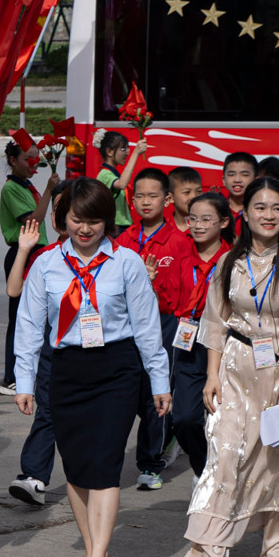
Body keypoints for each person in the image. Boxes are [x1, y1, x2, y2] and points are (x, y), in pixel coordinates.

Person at [13, 179, 170, 557]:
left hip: (117, 371)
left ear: (108, 221)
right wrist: (24, 383)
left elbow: (147, 328)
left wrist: (160, 382)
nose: (85, 229)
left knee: (104, 467)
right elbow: (28, 327)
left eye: (95, 221)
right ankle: (92, 548)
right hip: (66, 372)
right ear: (62, 219)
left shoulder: (127, 263)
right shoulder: (46, 264)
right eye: (77, 220)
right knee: (78, 471)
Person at [179, 176, 279, 557]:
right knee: (222, 457)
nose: (268, 215)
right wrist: (211, 376)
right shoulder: (229, 262)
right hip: (233, 370)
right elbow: (215, 321)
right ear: (244, 212)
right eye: (260, 207)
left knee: (277, 461)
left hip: (277, 374)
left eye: (277, 208)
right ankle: (209, 552)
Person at [116, 169, 185, 489]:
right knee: (122, 395)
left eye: (153, 195)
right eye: (139, 196)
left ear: (167, 199)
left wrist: (151, 286)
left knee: (156, 396)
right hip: (125, 328)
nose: (145, 202)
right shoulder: (123, 241)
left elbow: (183, 296)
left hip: (164, 324)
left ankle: (151, 463)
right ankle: (110, 460)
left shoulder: (180, 242)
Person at [165, 191, 234, 478]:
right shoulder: (180, 258)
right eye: (193, 218)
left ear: (224, 222)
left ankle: (225, 476)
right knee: (184, 419)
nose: (198, 225)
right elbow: (169, 303)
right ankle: (203, 470)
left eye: (207, 219)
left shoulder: (234, 261)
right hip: (189, 342)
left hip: (226, 344)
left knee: (225, 418)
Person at [6, 213, 58, 507]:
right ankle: (34, 476)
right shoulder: (46, 257)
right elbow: (14, 290)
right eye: (63, 213)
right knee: (47, 410)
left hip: (99, 351)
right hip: (55, 345)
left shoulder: (116, 255)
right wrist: (24, 250)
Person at [0, 134, 58, 395]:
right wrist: (48, 190)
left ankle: (29, 370)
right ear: (13, 160)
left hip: (36, 253)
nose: (33, 162)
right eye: (27, 158)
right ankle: (10, 377)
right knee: (19, 317)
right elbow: (33, 220)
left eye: (35, 157)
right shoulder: (11, 188)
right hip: (22, 252)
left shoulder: (25, 186)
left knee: (38, 314)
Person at [93, 130, 141, 228]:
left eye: (127, 149)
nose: (127, 153)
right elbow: (122, 184)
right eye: (123, 149)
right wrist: (135, 154)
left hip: (122, 226)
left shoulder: (113, 173)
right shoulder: (105, 174)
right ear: (109, 151)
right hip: (115, 227)